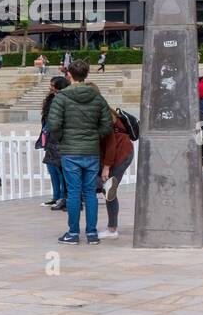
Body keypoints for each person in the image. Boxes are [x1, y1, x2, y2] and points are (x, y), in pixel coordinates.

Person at [46, 59, 112, 244]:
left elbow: (54, 124)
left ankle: (73, 233)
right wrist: (94, 136)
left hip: (70, 150)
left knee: (74, 193)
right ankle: (92, 233)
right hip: (91, 151)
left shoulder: (62, 97)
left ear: (69, 74)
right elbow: (107, 124)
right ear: (86, 74)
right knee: (90, 192)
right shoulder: (97, 97)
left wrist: (62, 139)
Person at [99, 108, 135, 239]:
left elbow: (111, 144)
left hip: (120, 154)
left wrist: (106, 166)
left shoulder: (103, 116)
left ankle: (112, 229)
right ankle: (112, 227)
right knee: (108, 189)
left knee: (109, 189)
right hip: (123, 151)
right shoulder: (107, 112)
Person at [38, 76, 70, 210]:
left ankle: (63, 197)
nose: (50, 87)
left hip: (58, 139)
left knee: (60, 170)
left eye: (52, 85)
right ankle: (56, 196)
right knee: (52, 168)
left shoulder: (62, 100)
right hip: (49, 138)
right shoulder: (51, 99)